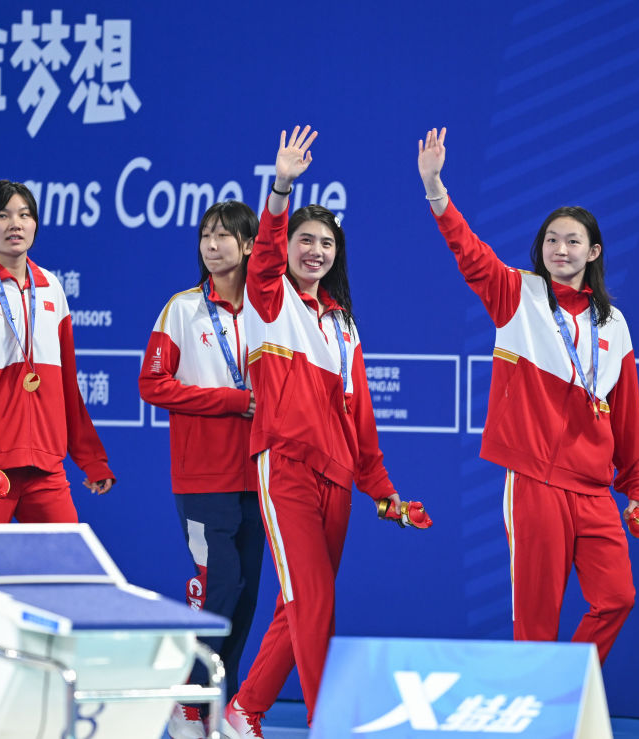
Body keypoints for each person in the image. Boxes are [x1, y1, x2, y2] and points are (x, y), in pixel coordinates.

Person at [417, 127, 639, 664]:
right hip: (536, 483)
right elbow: (469, 253)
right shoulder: (517, 294)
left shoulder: (614, 324)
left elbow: (626, 417)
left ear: (593, 251)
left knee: (617, 599)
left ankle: (562, 691)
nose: (560, 249)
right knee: (536, 622)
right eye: (551, 240)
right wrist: (435, 189)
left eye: (572, 241)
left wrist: (636, 492)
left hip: (594, 489)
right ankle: (544, 702)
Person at [224, 126, 402, 738]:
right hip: (287, 467)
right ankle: (328, 722)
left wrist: (382, 489)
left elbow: (361, 416)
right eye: (306, 240)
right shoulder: (268, 298)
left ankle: (244, 711)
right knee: (314, 600)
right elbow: (265, 253)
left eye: (327, 243)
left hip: (338, 478)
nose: (316, 251)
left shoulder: (343, 323)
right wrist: (281, 189)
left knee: (298, 601)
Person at [138, 200, 266, 739]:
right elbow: (152, 384)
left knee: (245, 595)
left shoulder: (269, 310)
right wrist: (231, 401)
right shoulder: (183, 309)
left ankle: (220, 703)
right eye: (206, 236)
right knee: (221, 587)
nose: (212, 246)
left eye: (224, 236)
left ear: (250, 245)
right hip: (203, 478)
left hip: (260, 476)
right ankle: (186, 699)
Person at [0, 180, 114, 523]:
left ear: (35, 225)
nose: (15, 224)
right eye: (2, 215)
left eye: (24, 215)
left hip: (45, 467)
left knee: (66, 559)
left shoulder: (51, 287)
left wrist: (90, 458)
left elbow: (67, 383)